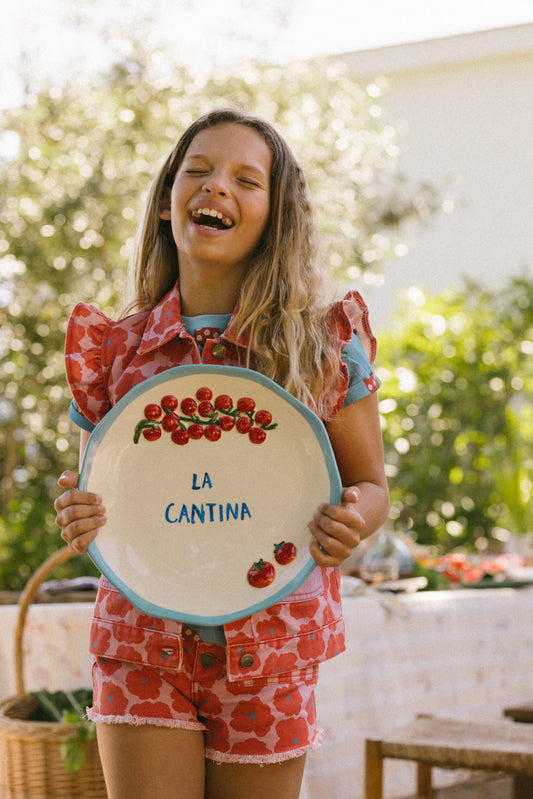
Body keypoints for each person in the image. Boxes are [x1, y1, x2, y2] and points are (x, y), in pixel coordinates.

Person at [54, 107, 389, 799]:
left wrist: (352, 518)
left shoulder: (321, 347)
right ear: (166, 200)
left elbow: (370, 487)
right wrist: (80, 515)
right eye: (198, 171)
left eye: (246, 179)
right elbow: (101, 495)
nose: (216, 187)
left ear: (276, 216)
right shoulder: (113, 351)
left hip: (272, 649)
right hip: (141, 642)